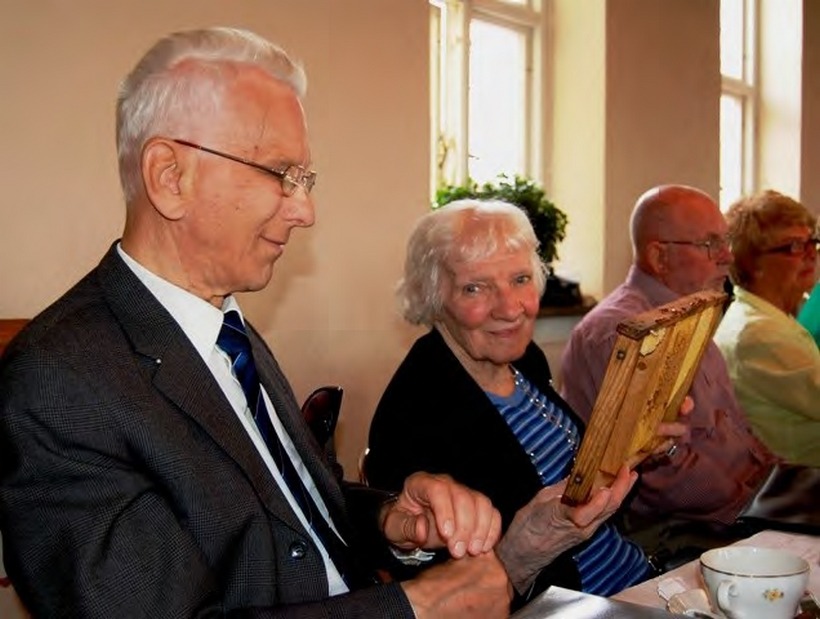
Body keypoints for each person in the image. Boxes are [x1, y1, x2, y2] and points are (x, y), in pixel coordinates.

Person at [0, 27, 514, 618]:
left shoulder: (227, 330)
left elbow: (290, 509)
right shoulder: (58, 383)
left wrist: (391, 519)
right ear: (170, 176)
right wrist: (414, 609)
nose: (305, 210)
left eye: (304, 179)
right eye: (280, 173)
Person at [365, 199, 689, 606]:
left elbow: (585, 494)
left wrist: (635, 443)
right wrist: (524, 552)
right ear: (432, 297)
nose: (510, 309)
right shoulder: (411, 416)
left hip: (636, 575)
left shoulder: (525, 360)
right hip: (573, 607)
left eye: (520, 279)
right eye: (474, 287)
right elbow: (440, 597)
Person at [560, 184, 778, 539]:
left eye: (726, 241)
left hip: (746, 504)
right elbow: (663, 478)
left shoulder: (692, 311)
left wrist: (779, 480)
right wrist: (755, 509)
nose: (728, 256)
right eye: (710, 244)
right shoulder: (626, 334)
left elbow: (736, 427)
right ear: (659, 256)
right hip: (683, 532)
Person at [714, 189, 820, 466]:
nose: (811, 255)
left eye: (812, 242)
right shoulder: (758, 334)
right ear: (753, 263)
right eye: (794, 246)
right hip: (800, 480)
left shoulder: (762, 316)